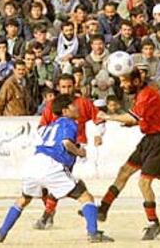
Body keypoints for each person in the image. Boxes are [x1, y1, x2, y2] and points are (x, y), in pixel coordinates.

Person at [0, 94, 114, 243]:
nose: (76, 108)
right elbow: (66, 143)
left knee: (23, 199)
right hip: (52, 165)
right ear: (65, 111)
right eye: (72, 106)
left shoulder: (49, 126)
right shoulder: (69, 123)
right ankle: (93, 233)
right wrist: (79, 152)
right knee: (85, 196)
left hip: (34, 164)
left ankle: (1, 233)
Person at [92, 68, 160, 241]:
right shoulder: (142, 94)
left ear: (136, 81)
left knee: (144, 183)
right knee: (124, 172)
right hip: (149, 139)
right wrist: (134, 123)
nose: (121, 85)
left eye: (124, 81)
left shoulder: (146, 94)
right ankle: (103, 209)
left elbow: (133, 117)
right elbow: (144, 118)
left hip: (159, 142)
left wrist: (107, 116)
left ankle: (154, 223)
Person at [34, 73, 105, 229]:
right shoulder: (53, 105)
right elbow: (41, 127)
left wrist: (99, 134)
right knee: (53, 185)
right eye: (63, 87)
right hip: (56, 151)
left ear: (75, 86)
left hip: (74, 150)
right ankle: (48, 215)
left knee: (60, 184)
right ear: (58, 88)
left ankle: (48, 216)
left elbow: (99, 118)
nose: (66, 90)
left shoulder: (82, 103)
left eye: (69, 86)